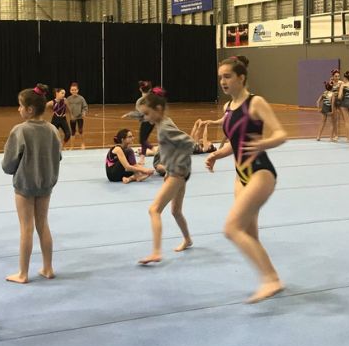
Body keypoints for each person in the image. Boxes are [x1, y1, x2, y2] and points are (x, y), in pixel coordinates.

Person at [206, 55, 287, 303]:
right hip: (240, 176)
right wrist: (217, 154)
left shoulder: (255, 102)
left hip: (261, 172)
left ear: (241, 78)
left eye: (228, 76)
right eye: (220, 77)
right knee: (249, 234)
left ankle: (271, 280)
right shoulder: (227, 108)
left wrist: (263, 143)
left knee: (231, 228)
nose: (223, 81)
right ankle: (270, 278)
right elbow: (236, 142)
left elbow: (281, 134)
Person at [2, 84, 62, 284]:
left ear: (29, 109)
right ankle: (48, 267)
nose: (18, 109)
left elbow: (8, 163)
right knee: (43, 224)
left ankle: (23, 273)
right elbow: (58, 156)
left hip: (25, 185)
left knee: (26, 228)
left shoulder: (20, 130)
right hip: (46, 184)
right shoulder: (52, 129)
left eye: (20, 106)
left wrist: (14, 168)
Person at [136, 88, 195, 265]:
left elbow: (189, 143)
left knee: (154, 210)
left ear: (159, 109)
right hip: (177, 172)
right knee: (176, 211)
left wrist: (177, 168)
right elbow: (172, 148)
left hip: (178, 173)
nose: (145, 118)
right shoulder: (163, 122)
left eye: (147, 114)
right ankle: (188, 240)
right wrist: (170, 169)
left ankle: (156, 252)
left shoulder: (165, 128)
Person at [122, 80, 155, 157]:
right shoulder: (153, 99)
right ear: (150, 89)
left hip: (146, 121)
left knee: (142, 140)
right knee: (144, 139)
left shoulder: (140, 101)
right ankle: (142, 157)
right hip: (153, 122)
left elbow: (140, 114)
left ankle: (155, 150)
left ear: (140, 89)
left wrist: (129, 114)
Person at [66, 82, 88, 150]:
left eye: (75, 90)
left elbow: (85, 107)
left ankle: (83, 144)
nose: (74, 91)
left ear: (77, 90)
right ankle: (72, 146)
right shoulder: (68, 99)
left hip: (80, 117)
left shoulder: (81, 98)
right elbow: (66, 108)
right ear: (70, 91)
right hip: (72, 118)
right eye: (72, 90)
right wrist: (70, 115)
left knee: (80, 130)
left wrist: (84, 112)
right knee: (73, 132)